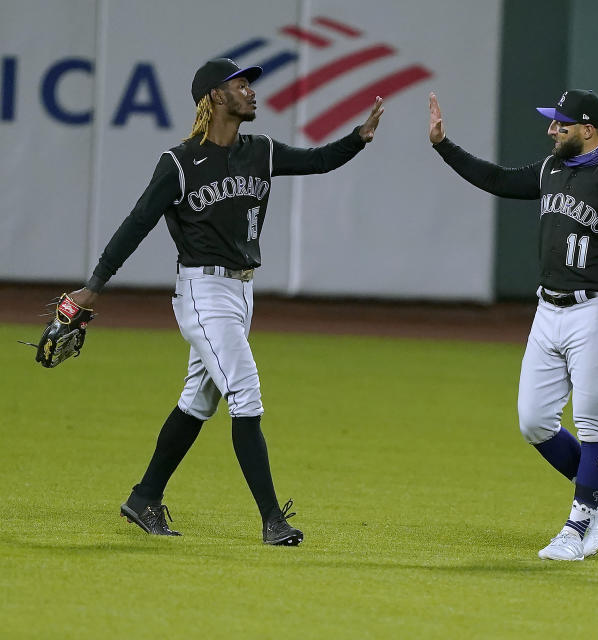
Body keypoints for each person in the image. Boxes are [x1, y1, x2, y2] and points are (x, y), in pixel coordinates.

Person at [66, 58, 384, 545]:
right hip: (202, 292)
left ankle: (144, 497)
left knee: (197, 402)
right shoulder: (179, 162)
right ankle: (273, 520)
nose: (251, 92)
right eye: (241, 85)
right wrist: (95, 285)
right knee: (245, 392)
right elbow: (136, 224)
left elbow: (318, 160)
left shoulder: (261, 152)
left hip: (241, 292)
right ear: (215, 97)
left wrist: (358, 138)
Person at [428, 90, 598, 560]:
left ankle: (578, 524)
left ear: (588, 130)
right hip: (548, 311)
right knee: (534, 421)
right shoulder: (552, 169)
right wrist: (445, 147)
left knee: (592, 422)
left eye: (560, 124)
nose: (551, 130)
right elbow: (499, 180)